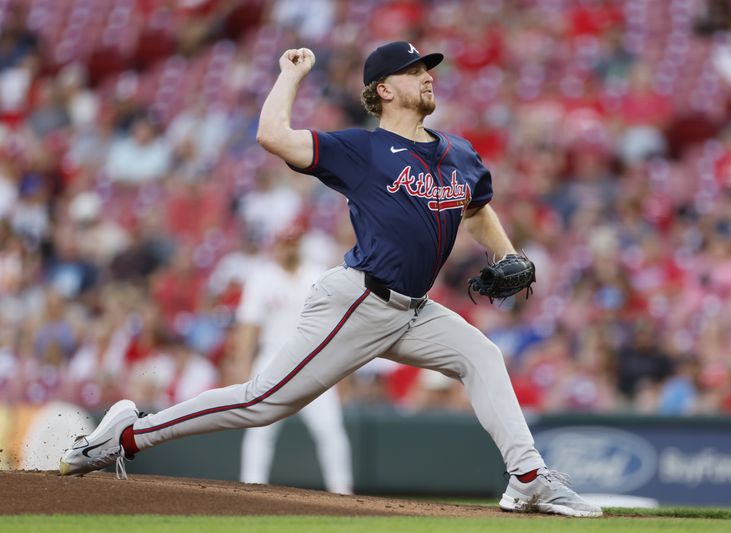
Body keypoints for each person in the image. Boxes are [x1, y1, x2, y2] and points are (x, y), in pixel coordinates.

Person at [59, 41, 602, 518]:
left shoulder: (458, 152)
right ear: (384, 90)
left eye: (428, 67)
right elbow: (272, 135)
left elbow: (476, 206)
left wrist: (507, 252)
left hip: (413, 310)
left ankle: (528, 479)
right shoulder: (362, 151)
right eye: (415, 70)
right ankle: (126, 436)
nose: (427, 75)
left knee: (482, 357)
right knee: (262, 401)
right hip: (358, 302)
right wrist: (291, 75)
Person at [235, 227, 353, 494]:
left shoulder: (318, 275)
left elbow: (336, 327)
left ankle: (342, 492)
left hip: (314, 359)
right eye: (284, 244)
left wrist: (342, 374)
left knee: (330, 429)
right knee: (260, 428)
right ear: (275, 247)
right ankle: (250, 488)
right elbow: (248, 327)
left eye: (293, 243)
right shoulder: (261, 278)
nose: (289, 249)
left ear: (300, 245)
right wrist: (243, 366)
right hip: (272, 357)